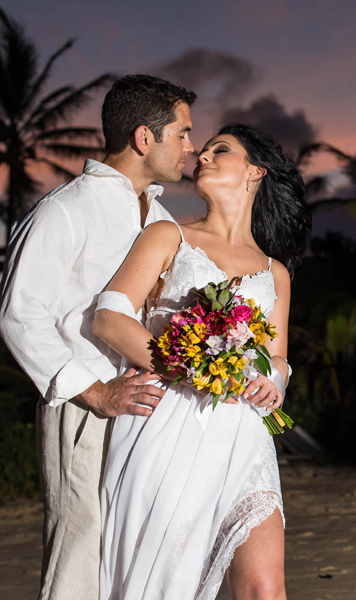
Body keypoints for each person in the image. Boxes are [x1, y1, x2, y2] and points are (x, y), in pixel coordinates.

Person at [0, 75, 197, 600]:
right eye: (183, 133)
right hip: (84, 405)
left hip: (151, 407)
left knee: (137, 543)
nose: (191, 147)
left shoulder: (159, 213)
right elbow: (19, 315)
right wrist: (96, 392)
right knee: (81, 541)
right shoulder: (63, 209)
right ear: (144, 138)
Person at [92, 123, 311, 600]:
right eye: (203, 150)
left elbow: (277, 359)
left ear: (256, 172)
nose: (202, 156)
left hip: (243, 435)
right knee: (168, 583)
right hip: (169, 423)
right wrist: (186, 361)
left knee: (265, 589)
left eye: (220, 149)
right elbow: (109, 317)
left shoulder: (275, 272)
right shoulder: (168, 236)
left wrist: (274, 382)